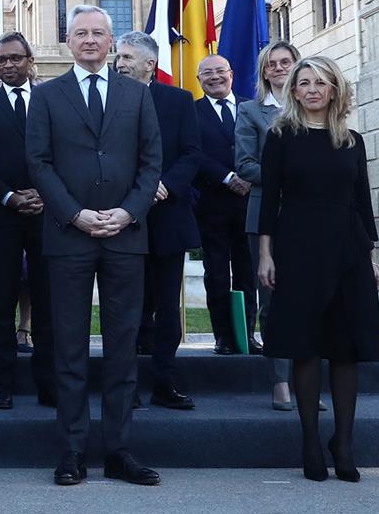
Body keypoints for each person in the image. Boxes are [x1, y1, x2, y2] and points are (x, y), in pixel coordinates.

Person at [26, 4, 162, 487]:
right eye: (80, 33)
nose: (89, 41)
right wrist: (75, 213)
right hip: (69, 237)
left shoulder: (137, 94)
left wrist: (127, 212)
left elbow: (151, 164)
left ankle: (119, 450)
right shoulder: (46, 96)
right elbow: (39, 163)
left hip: (126, 237)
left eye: (98, 34)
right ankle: (72, 450)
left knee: (123, 348)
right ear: (68, 41)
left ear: (111, 41)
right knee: (69, 348)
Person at [257, 56, 379, 482]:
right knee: (306, 345)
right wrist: (265, 255)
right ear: (293, 90)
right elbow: (269, 199)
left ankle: (342, 442)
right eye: (304, 82)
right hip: (296, 246)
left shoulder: (353, 140)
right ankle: (310, 440)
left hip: (348, 247)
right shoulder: (280, 137)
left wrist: (371, 256)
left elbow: (363, 202)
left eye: (321, 82)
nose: (312, 89)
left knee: (346, 348)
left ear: (334, 90)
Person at [0, 31, 56, 411]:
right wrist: (10, 196)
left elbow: (66, 152)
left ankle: (49, 382)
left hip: (48, 213)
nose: (8, 65)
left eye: (16, 58)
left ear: (30, 61)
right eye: (2, 59)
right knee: (0, 303)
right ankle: (1, 380)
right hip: (3, 215)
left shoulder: (52, 100)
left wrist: (43, 194)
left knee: (48, 302)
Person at [114, 31, 201, 410]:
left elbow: (191, 153)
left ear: (150, 64)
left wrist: (163, 185)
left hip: (167, 220)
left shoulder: (179, 101)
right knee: (128, 309)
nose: (120, 62)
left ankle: (164, 382)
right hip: (124, 220)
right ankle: (125, 386)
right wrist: (137, 192)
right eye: (118, 56)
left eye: (128, 56)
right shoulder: (107, 99)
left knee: (167, 308)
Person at [235, 40, 301, 410]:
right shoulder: (250, 111)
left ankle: (304, 378)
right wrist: (288, 178)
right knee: (272, 300)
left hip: (311, 218)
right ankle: (280, 381)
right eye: (271, 64)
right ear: (263, 71)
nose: (278, 68)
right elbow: (244, 164)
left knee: (308, 300)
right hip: (265, 217)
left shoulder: (314, 106)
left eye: (285, 61)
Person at [193, 54, 258, 355]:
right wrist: (227, 176)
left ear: (231, 74)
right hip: (213, 204)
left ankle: (248, 334)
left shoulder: (251, 107)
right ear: (199, 80)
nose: (215, 77)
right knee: (216, 272)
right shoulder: (191, 113)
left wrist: (248, 177)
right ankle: (222, 336)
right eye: (207, 73)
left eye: (220, 71)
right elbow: (192, 154)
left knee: (248, 270)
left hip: (251, 203)